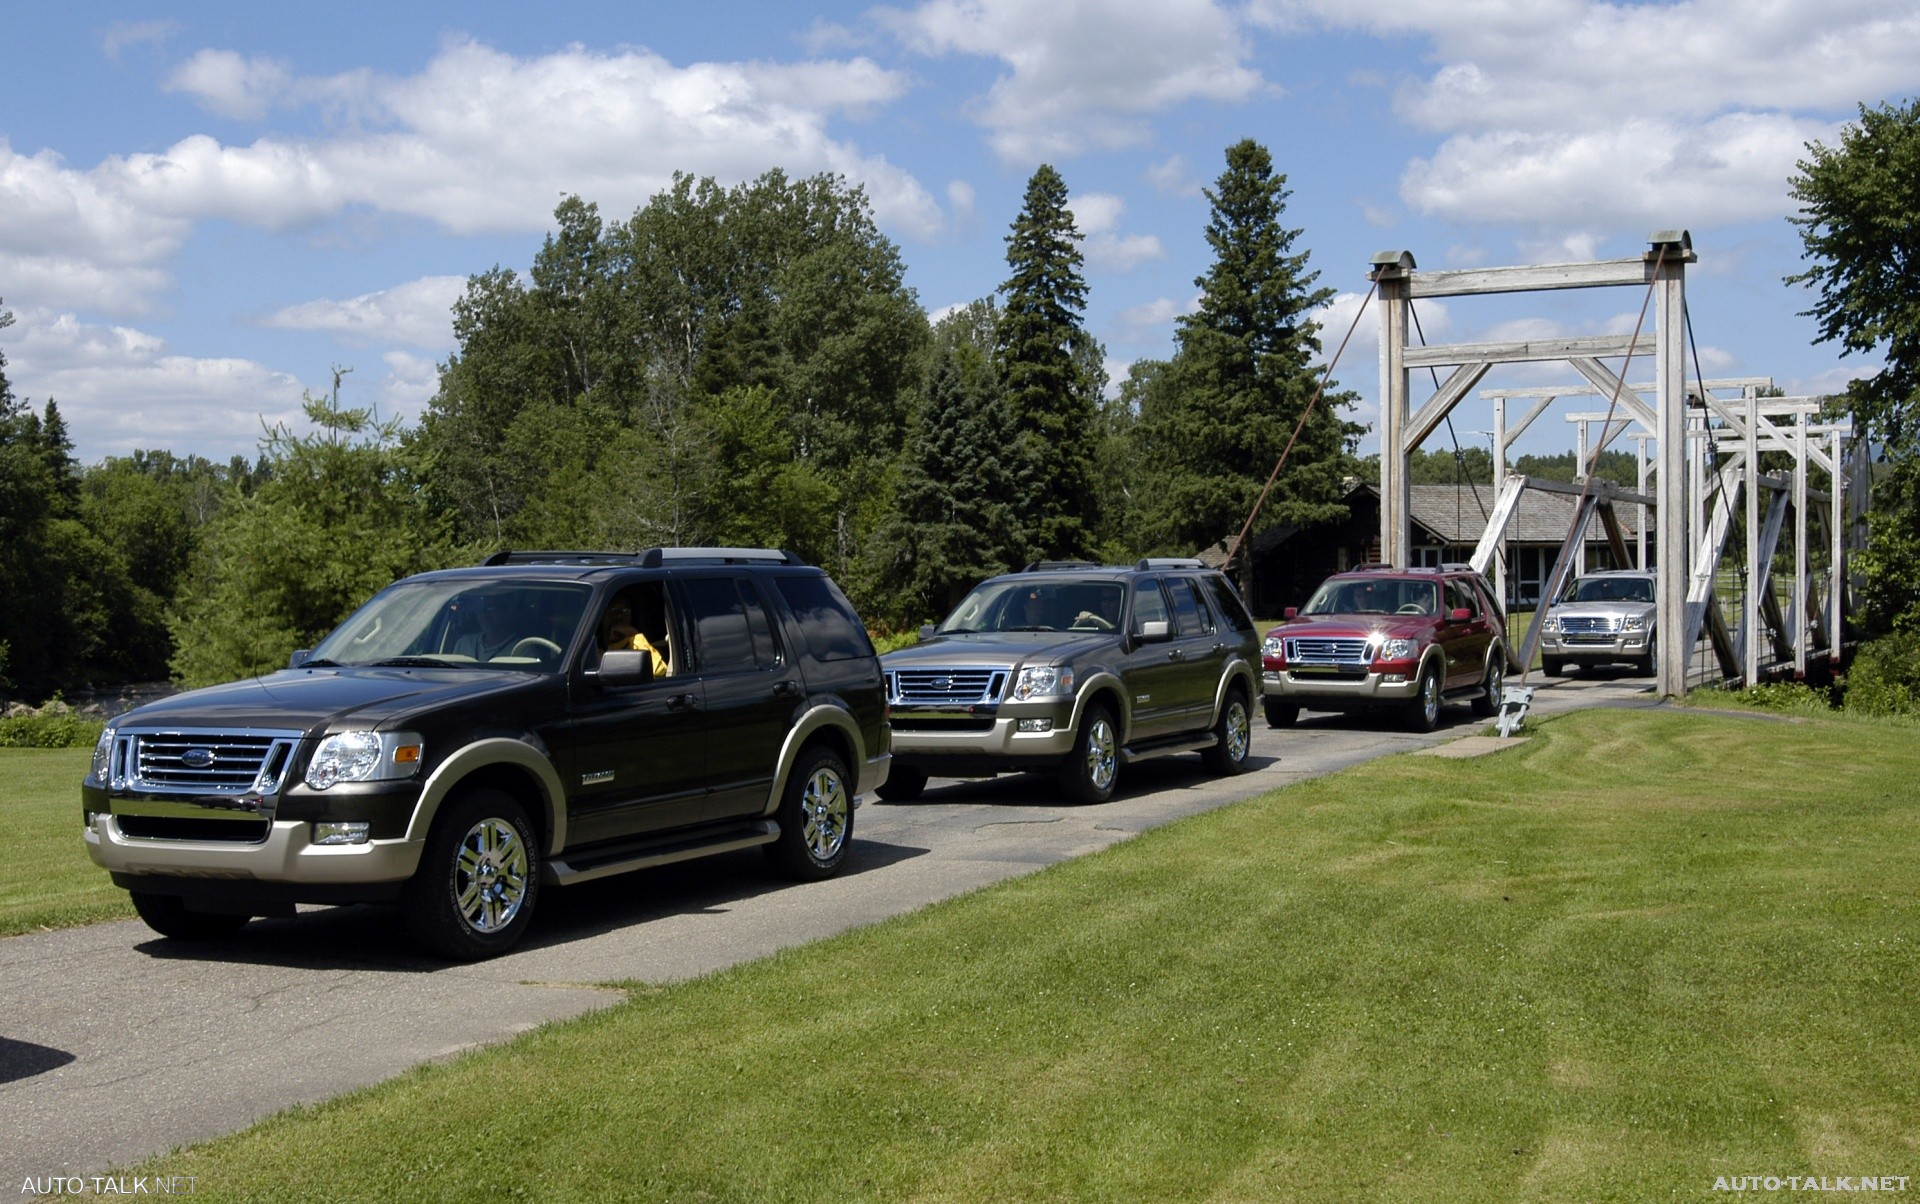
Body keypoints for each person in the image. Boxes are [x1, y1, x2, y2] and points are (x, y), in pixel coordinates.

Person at [599, 596, 668, 677]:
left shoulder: (635, 645)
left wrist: (634, 634)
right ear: (602, 616)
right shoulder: (589, 647)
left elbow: (659, 671)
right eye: (613, 610)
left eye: (626, 611)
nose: (619, 616)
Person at [453, 594, 523, 661]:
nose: (484, 615)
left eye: (490, 608)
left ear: (507, 611)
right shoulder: (464, 643)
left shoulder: (522, 648)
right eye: (480, 609)